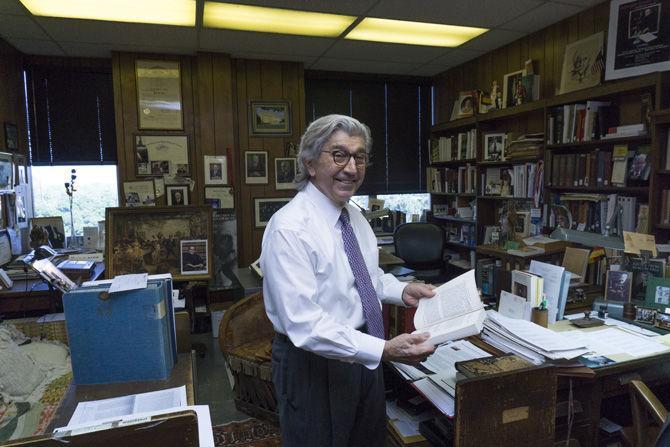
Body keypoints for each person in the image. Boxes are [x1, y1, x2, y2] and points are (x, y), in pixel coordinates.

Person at [260, 114, 436, 446]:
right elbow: (306, 325)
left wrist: (404, 290)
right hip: (313, 363)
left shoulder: (353, 215)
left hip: (362, 355)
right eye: (339, 154)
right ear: (311, 163)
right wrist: (382, 349)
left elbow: (367, 278)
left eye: (359, 157)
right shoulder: (289, 229)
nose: (351, 168)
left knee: (367, 439)